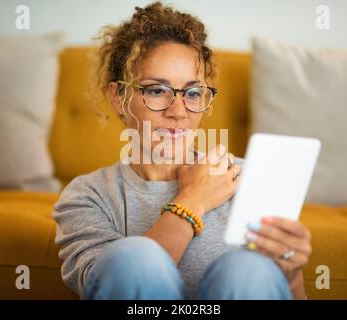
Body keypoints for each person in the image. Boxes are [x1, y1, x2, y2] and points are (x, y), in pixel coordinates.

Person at [53, 1, 311, 300]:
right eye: (156, 90)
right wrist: (193, 199)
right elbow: (109, 285)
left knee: (248, 271)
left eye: (192, 93)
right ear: (118, 97)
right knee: (133, 258)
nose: (178, 111)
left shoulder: (249, 178)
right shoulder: (87, 197)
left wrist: (290, 274)